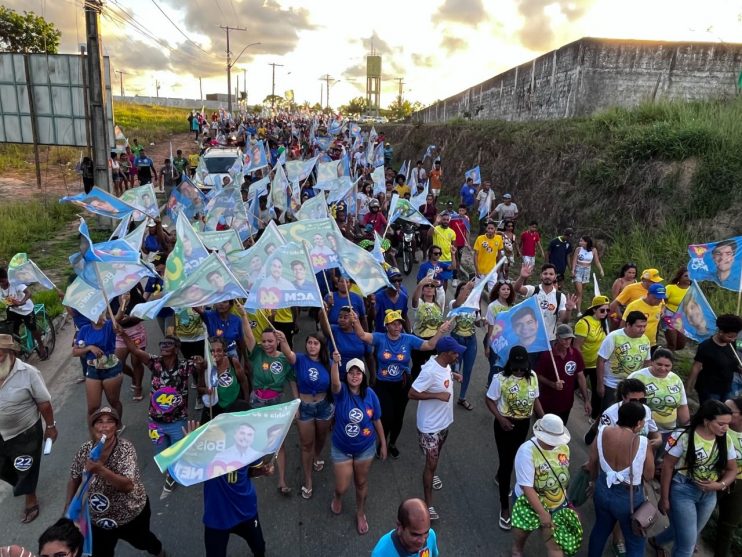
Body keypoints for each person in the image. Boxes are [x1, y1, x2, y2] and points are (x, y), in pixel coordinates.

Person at [116, 329, 205, 498]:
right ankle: (171, 474)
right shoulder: (154, 363)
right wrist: (122, 334)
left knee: (177, 454)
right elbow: (134, 350)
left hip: (178, 421)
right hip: (155, 423)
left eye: (168, 344)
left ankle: (171, 480)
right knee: (163, 457)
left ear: (177, 348)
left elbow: (202, 377)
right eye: (162, 343)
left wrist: (201, 366)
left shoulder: (186, 366)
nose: (164, 346)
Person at [65, 407, 165, 557]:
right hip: (98, 519)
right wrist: (67, 509)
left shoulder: (125, 449)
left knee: (143, 541)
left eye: (110, 421)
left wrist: (100, 469)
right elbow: (74, 478)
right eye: (99, 422)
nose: (104, 426)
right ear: (92, 427)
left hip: (130, 514)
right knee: (100, 552)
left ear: (117, 426)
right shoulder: (85, 450)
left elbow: (127, 486)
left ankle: (158, 551)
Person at [353, 310, 451, 460]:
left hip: (402, 385)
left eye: (399, 323)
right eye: (394, 324)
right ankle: (382, 443)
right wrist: (355, 320)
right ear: (387, 326)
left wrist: (440, 331)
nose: (398, 326)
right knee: (387, 416)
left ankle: (392, 444)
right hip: (383, 385)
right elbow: (362, 335)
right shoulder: (379, 338)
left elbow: (429, 345)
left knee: (398, 417)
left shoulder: (408, 339)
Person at [651, 400, 738, 557]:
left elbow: (732, 469)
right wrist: (664, 498)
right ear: (706, 421)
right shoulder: (683, 435)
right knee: (687, 546)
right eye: (721, 424)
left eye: (728, 424)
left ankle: (656, 541)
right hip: (684, 490)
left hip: (709, 495)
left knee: (689, 532)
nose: (726, 428)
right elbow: (667, 466)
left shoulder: (725, 439)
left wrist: (719, 485)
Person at [485, 345, 544, 530]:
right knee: (506, 462)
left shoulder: (532, 377)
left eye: (522, 367)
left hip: (523, 424)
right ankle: (504, 508)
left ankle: (500, 476)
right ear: (510, 364)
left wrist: (544, 419)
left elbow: (535, 400)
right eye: (516, 367)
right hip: (504, 425)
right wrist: (500, 418)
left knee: (516, 457)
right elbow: (489, 399)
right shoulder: (500, 379)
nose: (519, 371)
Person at [0, 334, 57, 524]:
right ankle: (22, 483)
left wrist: (50, 427)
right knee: (3, 468)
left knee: (25, 466)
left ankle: (30, 497)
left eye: (1, 353)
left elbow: (44, 403)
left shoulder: (28, 372)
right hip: (1, 434)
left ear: (12, 353)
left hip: (25, 432)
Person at [587, 401, 655, 557]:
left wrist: (593, 482)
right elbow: (649, 475)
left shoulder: (603, 431)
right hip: (629, 497)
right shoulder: (643, 442)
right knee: (635, 541)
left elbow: (592, 461)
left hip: (603, 488)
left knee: (600, 530)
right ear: (638, 423)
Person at [409, 336, 465, 521]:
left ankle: (432, 474)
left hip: (443, 423)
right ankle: (428, 504)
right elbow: (412, 393)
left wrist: (453, 376)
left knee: (435, 457)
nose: (457, 355)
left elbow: (444, 375)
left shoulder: (444, 364)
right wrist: (436, 395)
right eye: (455, 353)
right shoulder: (430, 371)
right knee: (430, 464)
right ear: (445, 354)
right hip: (430, 427)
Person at [329, 356, 385, 535]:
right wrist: (335, 363)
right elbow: (335, 382)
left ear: (363, 375)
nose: (355, 376)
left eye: (358, 372)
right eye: (351, 372)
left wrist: (382, 443)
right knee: (342, 487)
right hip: (341, 447)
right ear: (347, 375)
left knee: (361, 482)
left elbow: (376, 419)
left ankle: (360, 512)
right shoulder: (341, 391)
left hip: (365, 447)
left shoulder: (371, 394)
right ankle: (338, 496)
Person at [511, 414, 578, 557]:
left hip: (556, 503)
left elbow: (562, 475)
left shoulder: (564, 448)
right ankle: (518, 547)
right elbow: (526, 487)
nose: (554, 443)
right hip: (529, 502)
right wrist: (543, 513)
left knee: (556, 545)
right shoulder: (526, 451)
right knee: (524, 531)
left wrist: (567, 502)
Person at [277, 330, 333, 500]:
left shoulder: (329, 362)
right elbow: (288, 353)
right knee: (306, 444)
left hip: (324, 407)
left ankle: (318, 455)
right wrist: (283, 339)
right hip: (305, 408)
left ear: (322, 346)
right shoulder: (299, 359)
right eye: (309, 342)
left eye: (316, 343)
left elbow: (336, 386)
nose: (312, 346)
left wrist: (337, 364)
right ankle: (308, 480)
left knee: (321, 437)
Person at [243, 320, 296, 496]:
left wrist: (297, 404)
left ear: (278, 341)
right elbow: (249, 336)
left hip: (276, 404)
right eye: (264, 341)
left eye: (270, 341)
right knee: (257, 438)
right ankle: (255, 469)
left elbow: (292, 380)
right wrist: (244, 316)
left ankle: (282, 480)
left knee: (278, 442)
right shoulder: (256, 353)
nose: (266, 344)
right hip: (257, 402)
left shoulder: (284, 359)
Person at [202, 441, 274, 557]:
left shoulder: (246, 438)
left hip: (245, 510)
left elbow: (249, 472)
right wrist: (190, 451)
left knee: (259, 547)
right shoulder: (206, 445)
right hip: (217, 516)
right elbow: (189, 470)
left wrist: (262, 471)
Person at [628, 348, 689, 443]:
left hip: (668, 431)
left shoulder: (675, 379)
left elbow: (682, 405)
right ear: (652, 362)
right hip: (643, 431)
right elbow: (626, 403)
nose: (663, 368)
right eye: (659, 364)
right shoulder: (637, 377)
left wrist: (687, 427)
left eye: (667, 365)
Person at [72, 313, 124, 421]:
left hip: (111, 369)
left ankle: (117, 426)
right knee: (92, 408)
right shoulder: (84, 329)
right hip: (92, 370)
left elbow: (119, 315)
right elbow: (75, 352)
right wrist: (90, 348)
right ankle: (94, 435)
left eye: (101, 314)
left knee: (114, 402)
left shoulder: (110, 325)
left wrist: (123, 302)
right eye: (97, 315)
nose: (101, 317)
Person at [535, 324, 590, 426]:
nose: (568, 341)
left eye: (570, 338)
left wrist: (586, 400)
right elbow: (538, 375)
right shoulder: (547, 355)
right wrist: (552, 384)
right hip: (547, 404)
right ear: (557, 337)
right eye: (565, 338)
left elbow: (581, 377)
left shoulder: (575, 354)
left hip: (566, 404)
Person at [513, 263, 578, 347]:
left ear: (555, 277)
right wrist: (522, 277)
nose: (548, 276)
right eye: (545, 273)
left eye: (551, 274)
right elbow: (517, 289)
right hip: (530, 338)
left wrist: (569, 310)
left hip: (549, 339)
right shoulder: (534, 290)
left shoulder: (560, 297)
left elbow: (564, 320)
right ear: (541, 276)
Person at [596, 311, 651, 409]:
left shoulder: (645, 340)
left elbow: (647, 363)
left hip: (632, 387)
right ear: (628, 324)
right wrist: (600, 384)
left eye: (644, 326)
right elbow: (601, 360)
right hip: (611, 385)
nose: (642, 329)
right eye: (639, 326)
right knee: (607, 414)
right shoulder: (614, 337)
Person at [686, 313, 742, 403]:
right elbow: (696, 368)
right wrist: (688, 388)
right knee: (711, 414)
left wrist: (739, 369)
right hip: (710, 390)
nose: (733, 339)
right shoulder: (706, 346)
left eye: (735, 337)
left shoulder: (732, 345)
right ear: (721, 332)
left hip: (727, 388)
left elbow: (731, 364)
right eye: (730, 336)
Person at [574, 295, 610, 421]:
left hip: (596, 364)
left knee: (598, 392)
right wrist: (581, 364)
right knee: (571, 386)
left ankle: (594, 417)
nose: (605, 313)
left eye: (607, 310)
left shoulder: (604, 323)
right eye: (602, 310)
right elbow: (577, 346)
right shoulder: (584, 323)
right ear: (594, 309)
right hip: (582, 364)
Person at [197, 337, 250, 421]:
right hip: (216, 409)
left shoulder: (233, 362)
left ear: (224, 351)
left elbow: (244, 381)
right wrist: (206, 390)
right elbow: (199, 388)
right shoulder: (205, 367)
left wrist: (246, 402)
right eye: (212, 351)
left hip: (234, 406)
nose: (215, 354)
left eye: (219, 350)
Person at [714, 396, 742, 557]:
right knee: (698, 516)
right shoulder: (719, 429)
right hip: (714, 478)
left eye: (729, 411)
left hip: (738, 483)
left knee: (728, 526)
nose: (722, 412)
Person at [0, 268, 48, 359]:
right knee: (12, 331)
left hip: (26, 310)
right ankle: (18, 350)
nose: (1, 284)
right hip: (12, 310)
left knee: (32, 328)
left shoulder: (15, 283)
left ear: (7, 278)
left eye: (3, 281)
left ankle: (41, 346)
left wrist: (22, 302)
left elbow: (28, 293)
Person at [371, 498, 439, 557]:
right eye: (415, 534)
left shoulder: (431, 535)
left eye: (426, 532)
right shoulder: (381, 554)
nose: (422, 541)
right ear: (399, 527)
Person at [449, 281, 479, 410]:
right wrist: (466, 287)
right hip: (456, 341)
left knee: (467, 370)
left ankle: (462, 398)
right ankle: (446, 395)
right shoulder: (454, 304)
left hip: (471, 341)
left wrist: (483, 320)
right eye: (462, 290)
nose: (465, 292)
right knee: (453, 371)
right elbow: (458, 303)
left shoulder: (475, 306)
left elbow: (478, 324)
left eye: (467, 291)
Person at [410, 276, 445, 381]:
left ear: (435, 291)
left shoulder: (438, 306)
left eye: (432, 287)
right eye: (426, 286)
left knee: (432, 366)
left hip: (433, 340)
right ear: (423, 291)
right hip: (419, 340)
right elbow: (414, 299)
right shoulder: (420, 303)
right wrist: (421, 283)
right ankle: (415, 388)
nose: (429, 288)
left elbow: (438, 323)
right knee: (417, 366)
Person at [484, 280, 516, 385]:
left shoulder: (511, 306)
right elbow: (491, 328)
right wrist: (488, 347)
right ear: (498, 291)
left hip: (507, 342)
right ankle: (490, 389)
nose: (506, 291)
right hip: (494, 341)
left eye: (508, 289)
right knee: (495, 368)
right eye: (503, 289)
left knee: (505, 368)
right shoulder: (492, 306)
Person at [621, 282, 666, 350]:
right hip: (634, 343)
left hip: (651, 344)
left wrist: (663, 311)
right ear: (648, 294)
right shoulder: (634, 306)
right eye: (656, 298)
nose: (659, 300)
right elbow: (623, 324)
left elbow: (663, 305)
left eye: (661, 298)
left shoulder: (659, 304)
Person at [372, 268, 410, 333]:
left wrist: (410, 334)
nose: (397, 283)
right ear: (387, 281)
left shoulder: (404, 297)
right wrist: (371, 306)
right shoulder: (379, 297)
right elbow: (373, 317)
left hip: (398, 336)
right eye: (394, 280)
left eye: (399, 280)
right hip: (383, 336)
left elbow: (404, 316)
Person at [571, 235, 604, 309]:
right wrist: (573, 270)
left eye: (582, 241)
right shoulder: (578, 249)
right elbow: (574, 260)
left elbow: (597, 261)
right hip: (578, 269)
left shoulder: (593, 250)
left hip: (587, 270)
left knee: (580, 290)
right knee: (579, 291)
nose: (580, 242)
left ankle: (573, 301)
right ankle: (578, 311)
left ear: (586, 242)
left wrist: (601, 270)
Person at [662, 266, 691, 351]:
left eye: (690, 275)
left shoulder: (692, 290)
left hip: (683, 318)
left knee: (681, 344)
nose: (688, 278)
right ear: (680, 276)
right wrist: (662, 311)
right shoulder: (670, 288)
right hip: (669, 316)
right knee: (672, 343)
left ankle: (663, 351)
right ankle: (668, 361)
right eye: (686, 276)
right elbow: (662, 301)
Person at [427, 213, 457, 289]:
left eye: (447, 220)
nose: (445, 221)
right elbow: (429, 234)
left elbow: (454, 246)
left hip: (447, 260)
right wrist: (436, 222)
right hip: (436, 260)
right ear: (441, 220)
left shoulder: (452, 232)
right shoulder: (436, 228)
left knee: (445, 280)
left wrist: (454, 257)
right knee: (433, 280)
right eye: (444, 219)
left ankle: (442, 299)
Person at [473, 220, 504, 288]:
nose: (490, 230)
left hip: (492, 272)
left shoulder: (499, 238)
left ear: (495, 229)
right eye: (488, 228)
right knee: (477, 293)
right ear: (486, 229)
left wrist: (498, 268)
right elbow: (475, 255)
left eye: (492, 228)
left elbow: (499, 254)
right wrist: (477, 270)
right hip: (481, 271)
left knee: (493, 293)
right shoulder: (480, 239)